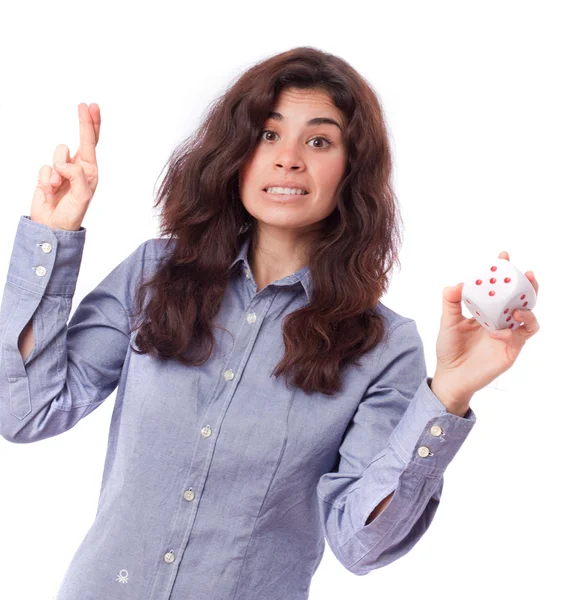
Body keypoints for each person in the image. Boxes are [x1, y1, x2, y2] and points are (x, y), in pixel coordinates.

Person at [0, 46, 539, 600]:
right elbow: (26, 413)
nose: (288, 159)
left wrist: (446, 396)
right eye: (268, 133)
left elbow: (362, 545)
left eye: (319, 141)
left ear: (352, 169)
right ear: (236, 152)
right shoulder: (153, 274)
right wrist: (52, 237)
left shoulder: (383, 346)